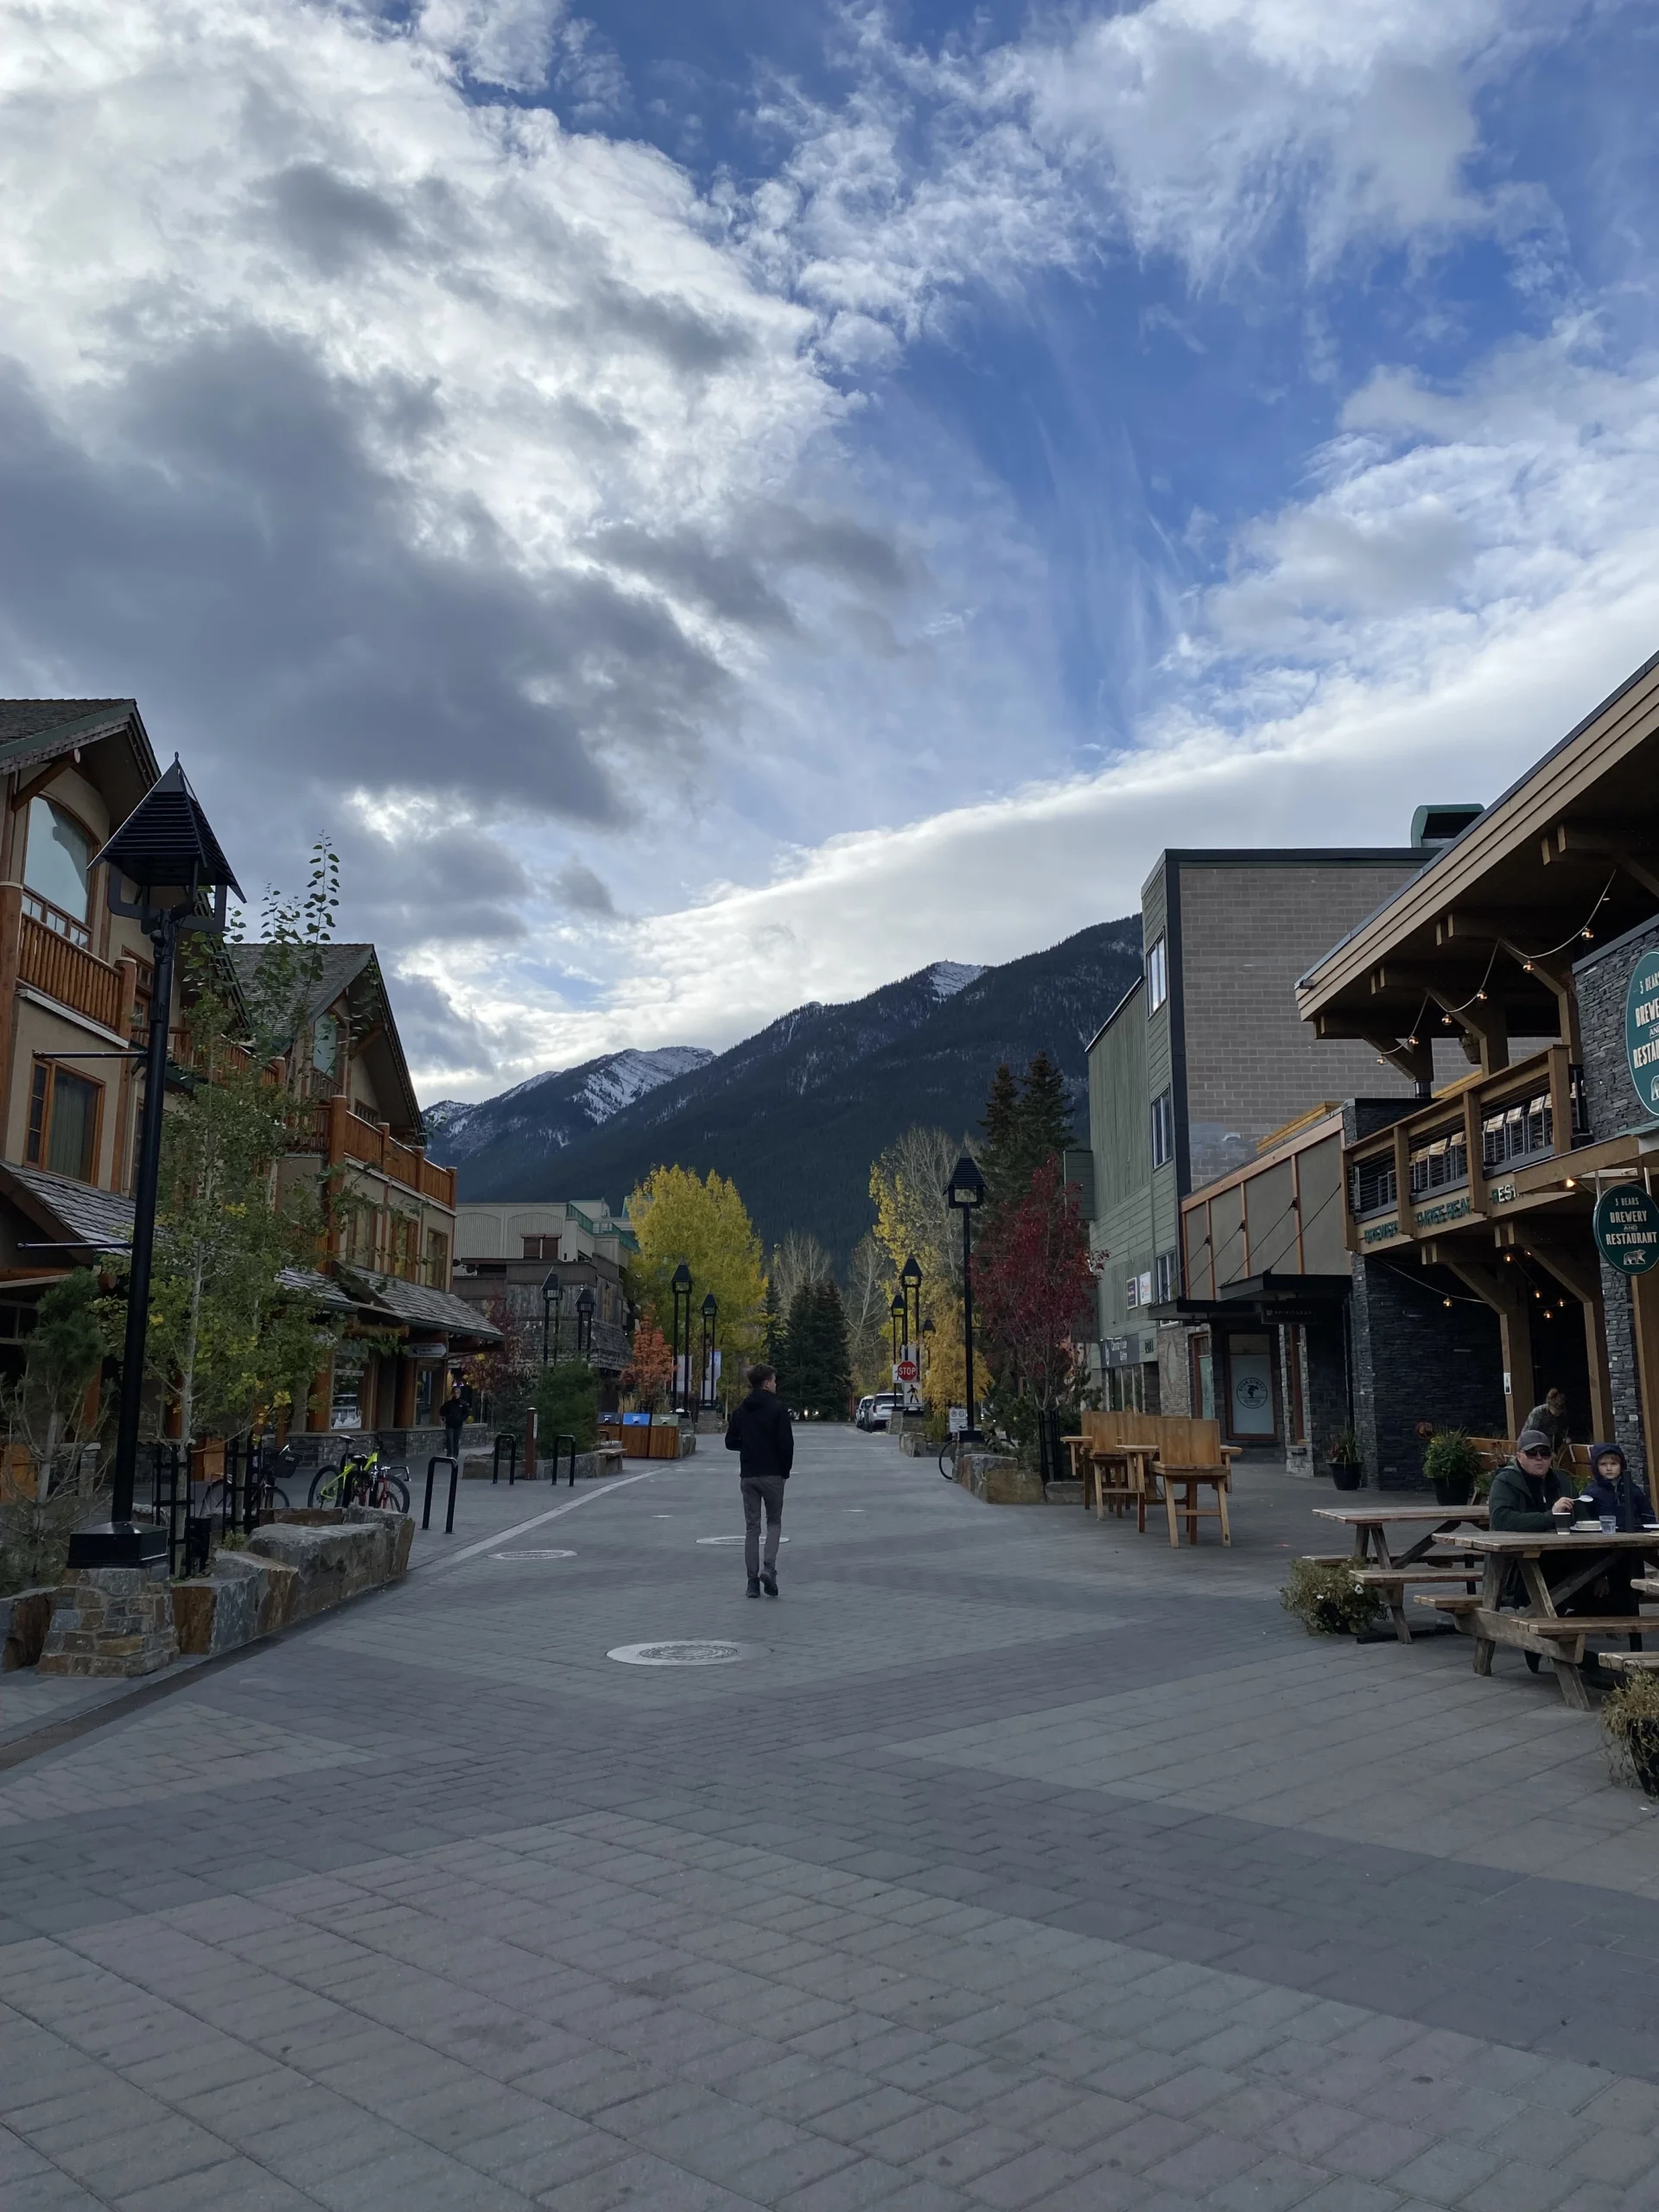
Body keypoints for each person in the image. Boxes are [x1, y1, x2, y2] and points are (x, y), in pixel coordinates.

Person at [725, 1362, 793, 1598]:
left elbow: (730, 1442)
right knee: (774, 1522)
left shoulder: (740, 1410)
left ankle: (752, 1581)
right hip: (773, 1473)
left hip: (749, 1474)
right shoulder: (778, 1409)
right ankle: (769, 1568)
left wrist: (749, 1446)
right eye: (774, 1380)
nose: (776, 1384)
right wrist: (785, 1472)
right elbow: (786, 1444)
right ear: (766, 1383)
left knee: (752, 1528)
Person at [1523, 1388, 1572, 1465]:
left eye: (1559, 1412)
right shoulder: (1538, 1413)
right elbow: (1532, 1435)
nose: (1557, 1414)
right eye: (1556, 1412)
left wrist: (1565, 1438)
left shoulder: (1562, 1415)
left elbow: (1562, 1431)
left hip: (1551, 1446)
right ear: (1550, 1406)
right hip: (1533, 1446)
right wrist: (1546, 1451)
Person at [440, 1384, 467, 1463]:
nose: (456, 1394)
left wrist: (462, 1419)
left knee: (456, 1441)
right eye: (455, 1392)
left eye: (458, 1393)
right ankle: (449, 1456)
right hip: (449, 1424)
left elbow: (466, 1413)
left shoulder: (463, 1403)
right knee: (450, 1440)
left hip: (458, 1425)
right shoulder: (448, 1404)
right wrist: (445, 1418)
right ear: (453, 1393)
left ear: (460, 1393)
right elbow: (442, 1410)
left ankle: (455, 1456)